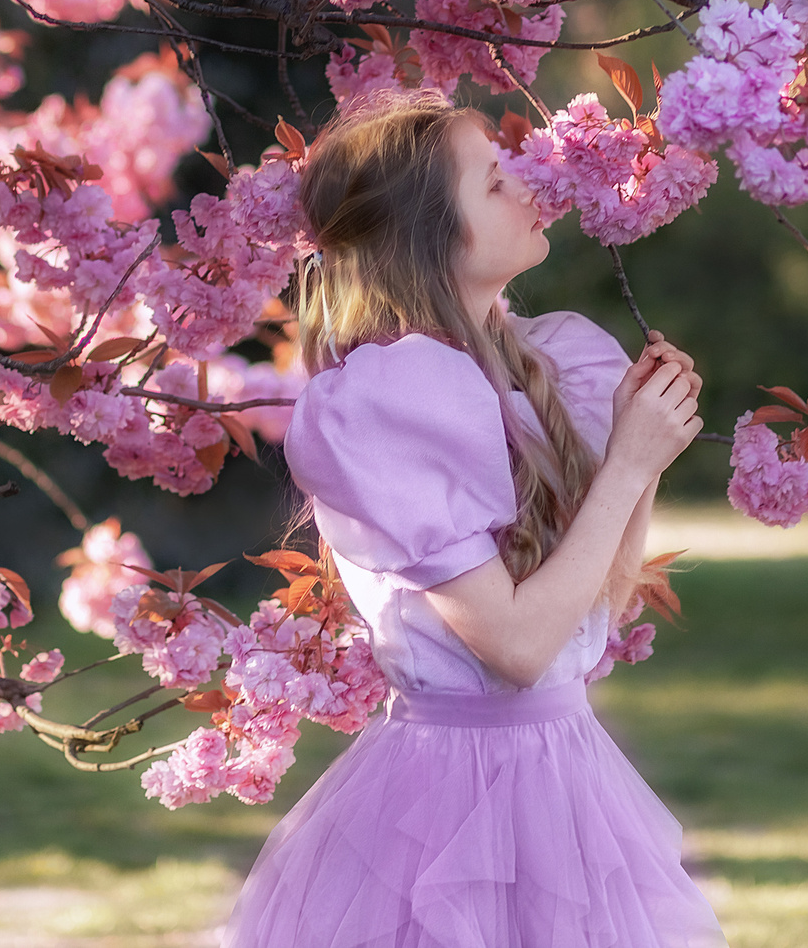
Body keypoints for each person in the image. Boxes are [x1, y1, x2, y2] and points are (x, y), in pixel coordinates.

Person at [226, 88, 725, 948]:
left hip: (566, 776)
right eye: (493, 182)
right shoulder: (393, 396)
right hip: (447, 798)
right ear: (431, 232)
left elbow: (596, 615)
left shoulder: (547, 361)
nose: (528, 185)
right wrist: (630, 466)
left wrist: (638, 463)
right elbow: (518, 647)